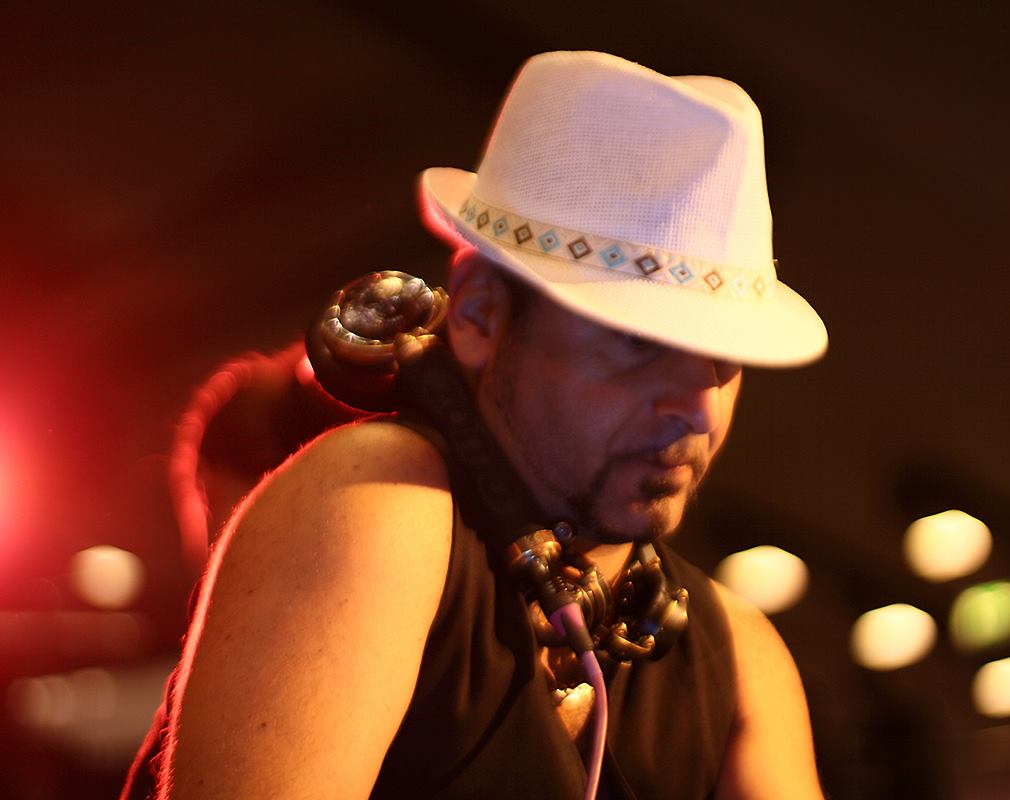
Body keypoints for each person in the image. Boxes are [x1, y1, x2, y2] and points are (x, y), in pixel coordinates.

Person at [125, 50, 829, 799]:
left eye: (724, 359)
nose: (699, 406)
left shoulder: (745, 662)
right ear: (480, 313)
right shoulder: (373, 504)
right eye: (637, 343)